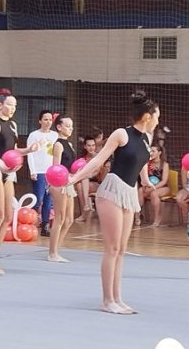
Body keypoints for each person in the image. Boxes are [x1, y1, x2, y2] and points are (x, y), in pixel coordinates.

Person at [70, 90, 159, 314]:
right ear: (147, 117)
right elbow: (98, 161)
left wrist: (145, 181)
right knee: (112, 248)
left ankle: (117, 297)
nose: (158, 121)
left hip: (129, 192)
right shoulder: (121, 134)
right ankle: (107, 300)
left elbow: (141, 163)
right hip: (112, 190)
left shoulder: (147, 138)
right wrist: (74, 178)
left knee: (121, 249)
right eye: (157, 117)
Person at [0, 89, 39, 275]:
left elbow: (13, 150)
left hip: (9, 172)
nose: (13, 108)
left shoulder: (12, 125)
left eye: (15, 105)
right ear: (0, 105)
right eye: (9, 104)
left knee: (7, 215)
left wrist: (28, 150)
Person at [48, 114, 77, 262]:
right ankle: (52, 253)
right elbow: (56, 166)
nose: (70, 129)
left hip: (69, 183)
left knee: (69, 219)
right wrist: (56, 184)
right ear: (59, 127)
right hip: (59, 183)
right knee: (59, 218)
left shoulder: (69, 144)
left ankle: (56, 248)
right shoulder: (58, 145)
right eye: (67, 126)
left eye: (71, 126)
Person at [27, 110, 58, 237]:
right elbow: (30, 153)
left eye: (50, 120)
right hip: (39, 171)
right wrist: (32, 171)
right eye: (45, 119)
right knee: (38, 199)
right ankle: (29, 222)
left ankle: (45, 225)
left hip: (50, 172)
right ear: (40, 121)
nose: (48, 122)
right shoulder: (34, 135)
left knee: (48, 200)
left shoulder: (55, 136)